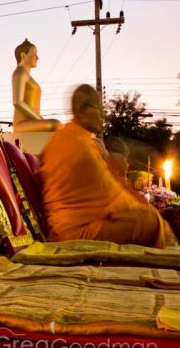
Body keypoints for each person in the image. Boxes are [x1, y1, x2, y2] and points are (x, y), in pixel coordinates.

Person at [39, 84, 177, 248]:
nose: (103, 116)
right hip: (76, 231)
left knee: (149, 215)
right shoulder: (77, 146)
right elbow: (111, 193)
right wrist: (141, 207)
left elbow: (106, 190)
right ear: (82, 110)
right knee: (151, 222)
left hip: (76, 223)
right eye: (99, 109)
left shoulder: (79, 140)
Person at [11, 39, 61, 133]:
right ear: (23, 55)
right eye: (34, 54)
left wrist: (40, 119)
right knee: (56, 124)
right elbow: (17, 102)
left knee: (58, 126)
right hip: (22, 124)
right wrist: (39, 119)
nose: (37, 58)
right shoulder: (19, 73)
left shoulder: (27, 76)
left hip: (33, 120)